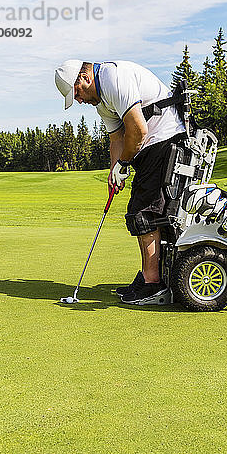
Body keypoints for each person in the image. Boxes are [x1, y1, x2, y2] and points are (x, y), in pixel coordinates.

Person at [54, 59, 186, 305]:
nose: (79, 101)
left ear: (84, 78)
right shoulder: (102, 103)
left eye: (77, 94)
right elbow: (117, 139)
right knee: (140, 212)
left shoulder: (114, 79)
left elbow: (138, 130)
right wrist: (113, 172)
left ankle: (153, 284)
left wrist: (123, 165)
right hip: (151, 146)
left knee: (144, 213)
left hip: (165, 138)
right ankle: (151, 276)